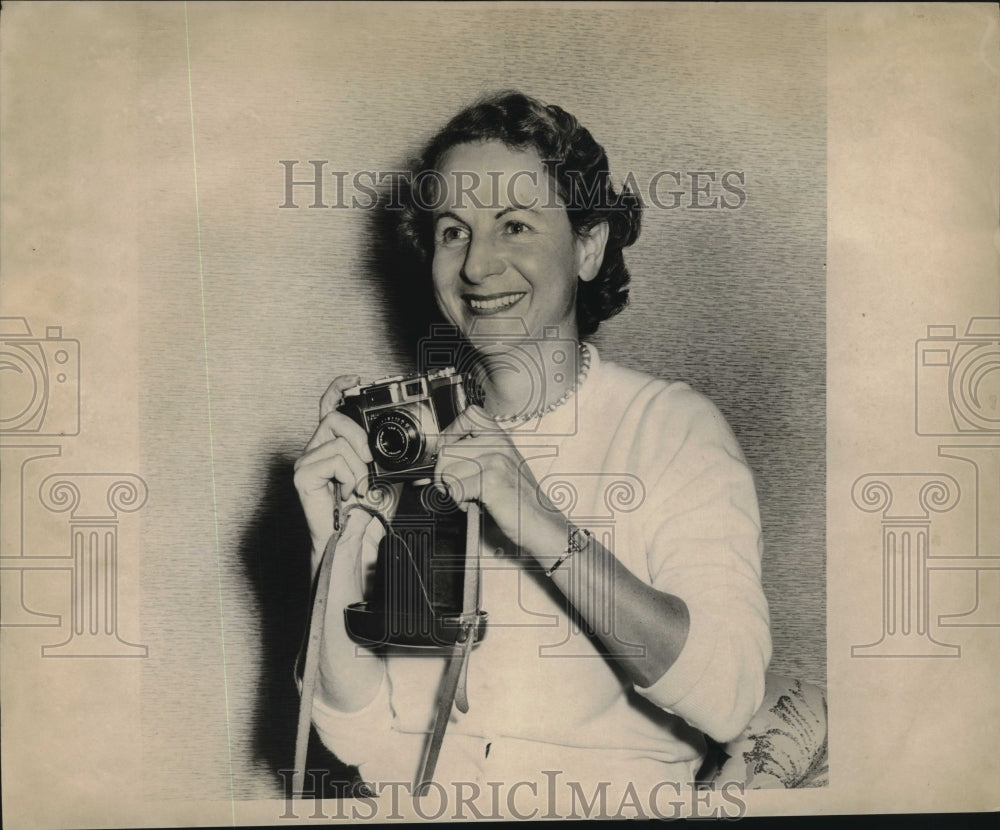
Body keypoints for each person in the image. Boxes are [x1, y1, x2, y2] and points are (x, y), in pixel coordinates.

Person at [293, 90, 771, 814]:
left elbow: (730, 699)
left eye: (513, 225)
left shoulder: (670, 429)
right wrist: (331, 547)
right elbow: (352, 730)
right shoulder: (408, 433)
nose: (478, 265)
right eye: (453, 231)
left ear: (588, 245)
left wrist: (535, 515)